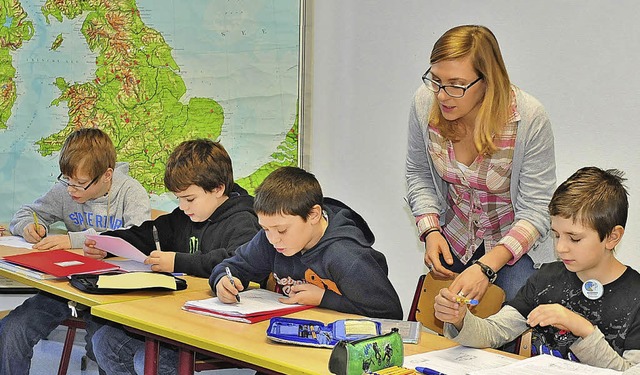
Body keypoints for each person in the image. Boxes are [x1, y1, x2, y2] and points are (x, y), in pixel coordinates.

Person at [405, 24, 557, 302]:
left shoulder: (529, 118)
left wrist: (487, 266)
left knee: (507, 331)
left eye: (457, 85)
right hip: (455, 238)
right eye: (436, 80)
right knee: (446, 332)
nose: (441, 94)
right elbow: (419, 174)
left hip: (514, 247)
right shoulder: (424, 103)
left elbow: (536, 209)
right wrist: (430, 229)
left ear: (487, 80)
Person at [434, 167, 640, 370]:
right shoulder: (546, 279)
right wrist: (460, 319)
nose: (560, 248)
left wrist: (583, 329)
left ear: (612, 237)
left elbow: (630, 370)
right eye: (556, 235)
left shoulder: (636, 296)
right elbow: (493, 333)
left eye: (574, 238)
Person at [89, 139, 261, 375]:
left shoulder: (244, 220)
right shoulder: (184, 217)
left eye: (189, 199)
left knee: (147, 361)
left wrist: (176, 261)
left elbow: (236, 261)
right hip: (176, 318)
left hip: (218, 327)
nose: (182, 207)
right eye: (178, 198)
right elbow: (149, 233)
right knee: (105, 341)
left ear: (219, 188)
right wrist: (109, 244)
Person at [0, 128, 150, 375]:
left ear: (107, 175)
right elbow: (25, 214)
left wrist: (73, 240)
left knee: (100, 346)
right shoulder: (65, 189)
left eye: (80, 184)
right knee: (13, 329)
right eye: (67, 181)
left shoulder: (130, 193)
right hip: (65, 287)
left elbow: (137, 236)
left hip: (110, 293)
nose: (72, 189)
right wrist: (29, 226)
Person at [213, 166, 403, 320]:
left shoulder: (346, 256)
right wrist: (222, 281)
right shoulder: (271, 239)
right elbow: (231, 267)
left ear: (313, 215)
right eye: (265, 229)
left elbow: (389, 314)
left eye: (282, 230)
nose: (273, 239)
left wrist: (323, 298)